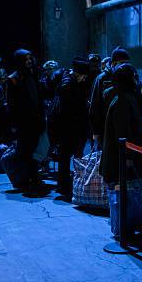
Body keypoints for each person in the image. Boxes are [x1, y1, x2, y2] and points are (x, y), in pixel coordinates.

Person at [100, 62, 142, 185]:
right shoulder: (122, 100)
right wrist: (128, 157)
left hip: (127, 154)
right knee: (124, 192)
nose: (135, 79)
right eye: (133, 76)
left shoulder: (126, 96)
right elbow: (122, 131)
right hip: (122, 158)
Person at [6, 49, 46, 190]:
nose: (29, 61)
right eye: (26, 59)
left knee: (34, 151)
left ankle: (33, 178)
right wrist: (14, 124)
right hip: (23, 123)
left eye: (30, 58)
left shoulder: (33, 74)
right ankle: (27, 180)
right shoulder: (13, 79)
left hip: (36, 120)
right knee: (25, 152)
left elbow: (39, 97)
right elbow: (11, 104)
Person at [54, 56, 91, 196]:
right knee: (65, 157)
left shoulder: (72, 83)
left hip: (73, 128)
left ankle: (70, 184)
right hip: (68, 129)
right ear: (78, 73)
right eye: (83, 76)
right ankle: (64, 186)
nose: (85, 79)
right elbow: (69, 109)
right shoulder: (67, 85)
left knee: (72, 157)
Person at [89, 47, 134, 149]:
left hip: (124, 128)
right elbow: (95, 106)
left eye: (126, 62)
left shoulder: (130, 76)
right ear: (113, 63)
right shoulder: (101, 79)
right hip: (105, 128)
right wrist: (96, 131)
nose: (123, 66)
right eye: (121, 62)